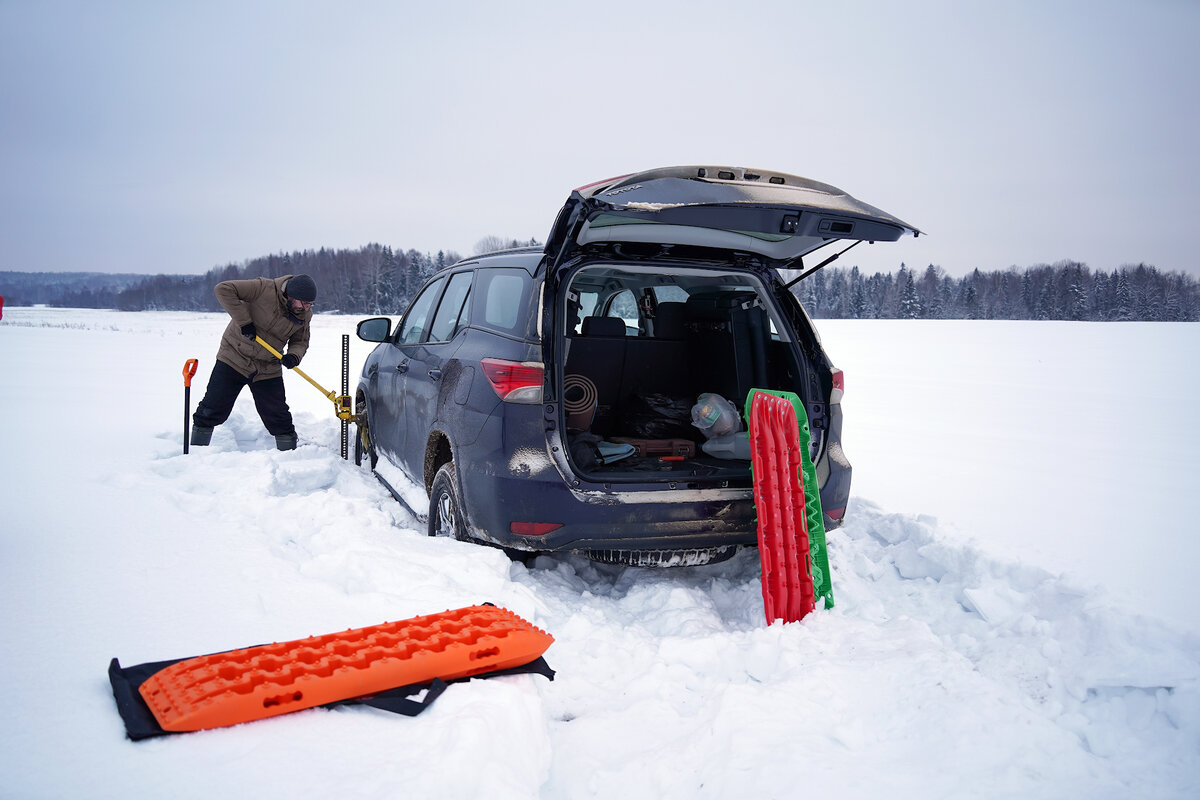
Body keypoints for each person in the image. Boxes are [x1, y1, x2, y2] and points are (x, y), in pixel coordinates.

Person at [190, 274, 316, 450]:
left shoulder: (305, 315)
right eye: (303, 303)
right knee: (212, 408)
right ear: (290, 296)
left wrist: (294, 356)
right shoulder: (263, 288)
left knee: (279, 417)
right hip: (234, 357)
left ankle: (290, 458)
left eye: (310, 304)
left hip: (268, 366)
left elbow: (300, 341)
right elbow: (223, 289)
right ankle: (195, 454)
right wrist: (245, 322)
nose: (306, 308)